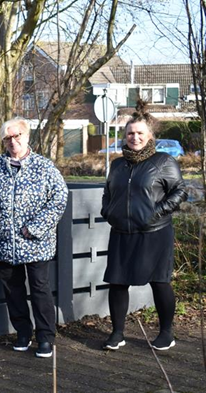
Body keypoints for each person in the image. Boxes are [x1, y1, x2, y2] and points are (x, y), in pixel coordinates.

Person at [0, 118, 68, 359]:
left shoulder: (44, 167)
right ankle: (23, 332)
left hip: (35, 243)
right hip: (3, 242)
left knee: (40, 290)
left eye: (17, 135)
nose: (13, 141)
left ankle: (45, 337)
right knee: (13, 291)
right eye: (8, 138)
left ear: (27, 136)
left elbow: (60, 198)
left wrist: (37, 227)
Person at [100, 102, 187, 351]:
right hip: (121, 232)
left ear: (150, 136)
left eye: (140, 133)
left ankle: (166, 333)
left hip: (154, 232)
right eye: (130, 133)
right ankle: (117, 333)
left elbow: (180, 191)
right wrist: (108, 211)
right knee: (117, 282)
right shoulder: (117, 165)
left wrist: (155, 213)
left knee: (159, 281)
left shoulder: (163, 161)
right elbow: (108, 192)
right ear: (124, 136)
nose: (134, 137)